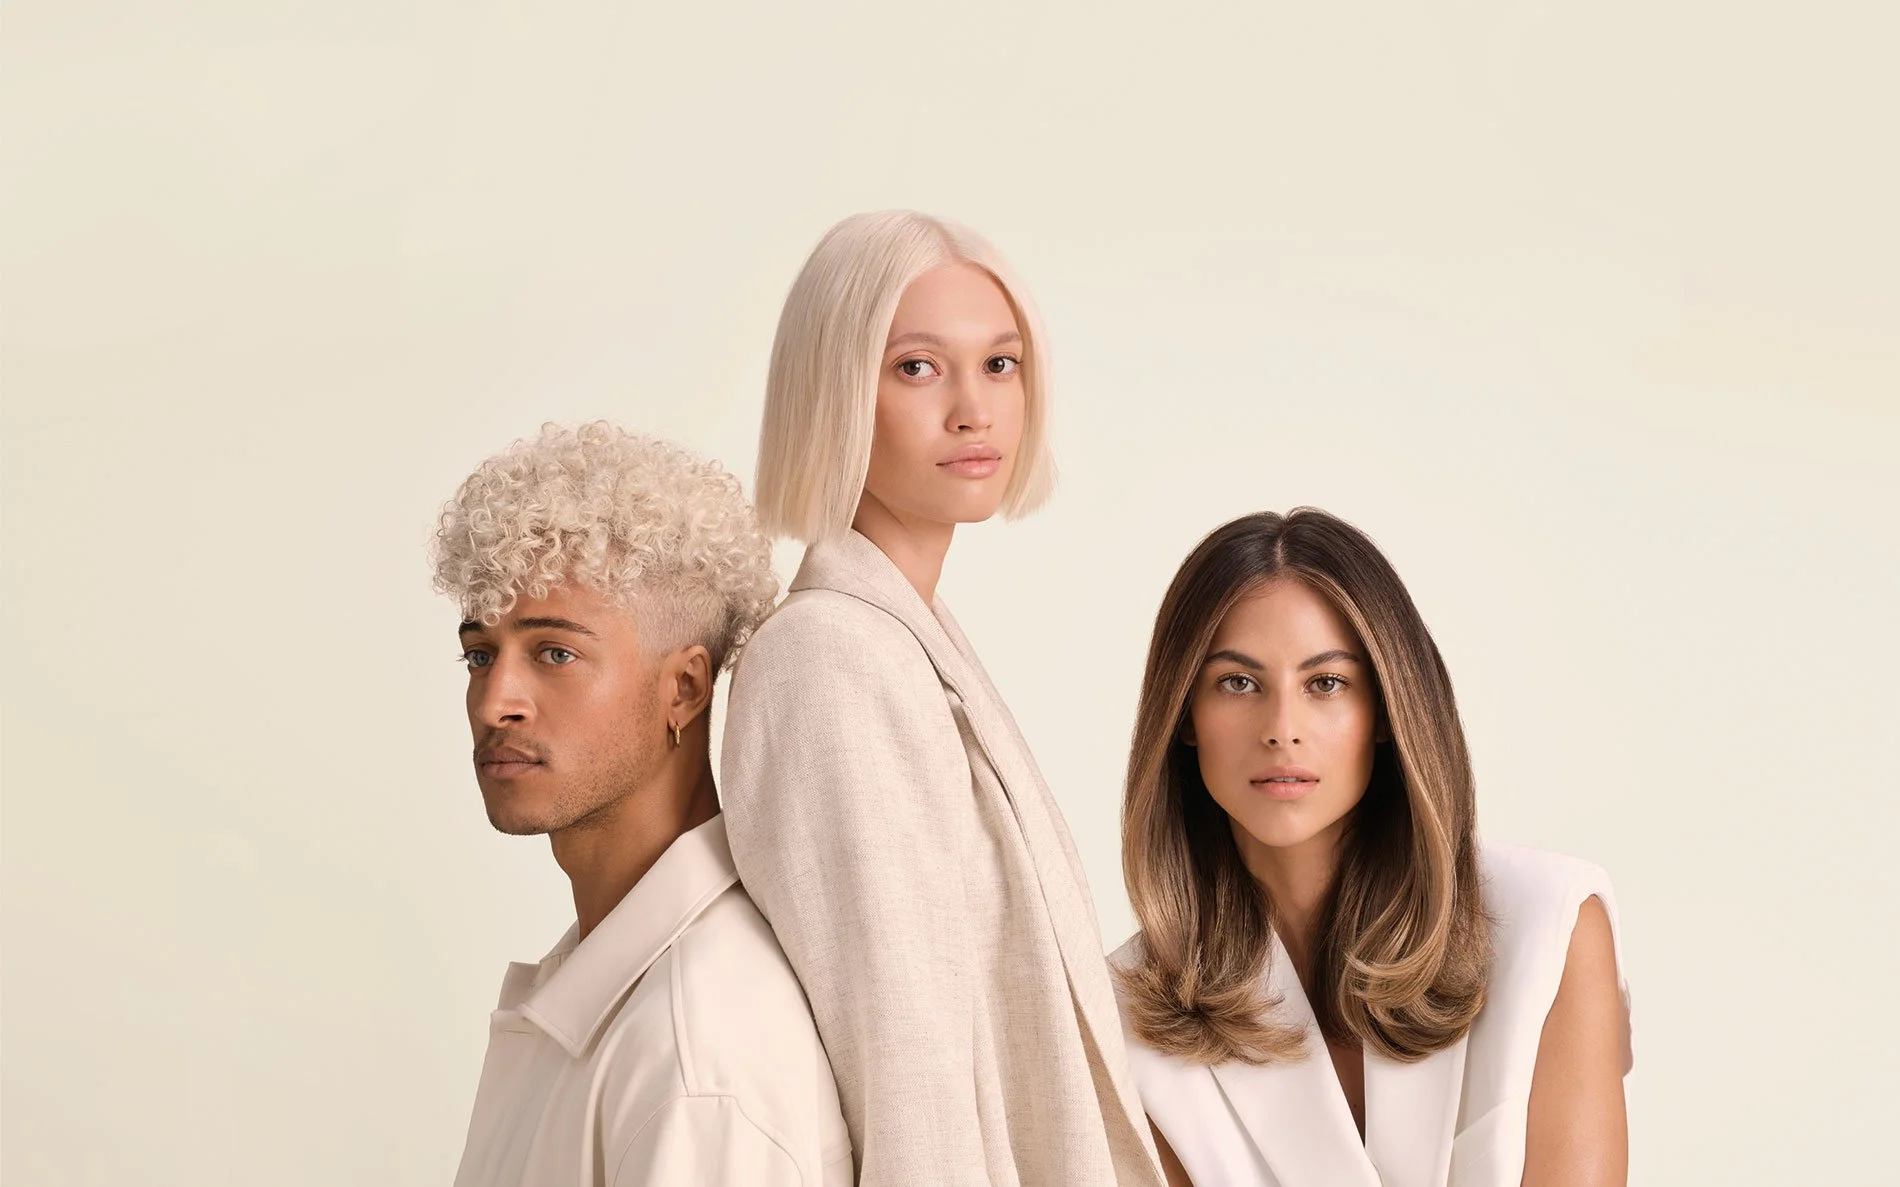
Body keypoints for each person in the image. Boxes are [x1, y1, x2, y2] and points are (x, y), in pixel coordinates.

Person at [720, 210, 1164, 1185]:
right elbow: (901, 1056)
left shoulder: (910, 636)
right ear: (834, 390)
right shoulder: (827, 657)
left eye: (999, 365)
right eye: (917, 367)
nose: (974, 410)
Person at [1112, 508, 1632, 1187]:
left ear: (1385, 710)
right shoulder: (1123, 1019)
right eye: (1238, 682)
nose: (1282, 728)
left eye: (1326, 682)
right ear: (1185, 716)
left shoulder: (1551, 923)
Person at [435, 421, 852, 1187]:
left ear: (685, 688)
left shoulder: (697, 1057)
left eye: (554, 652)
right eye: (479, 653)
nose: (497, 700)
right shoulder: (615, 992)